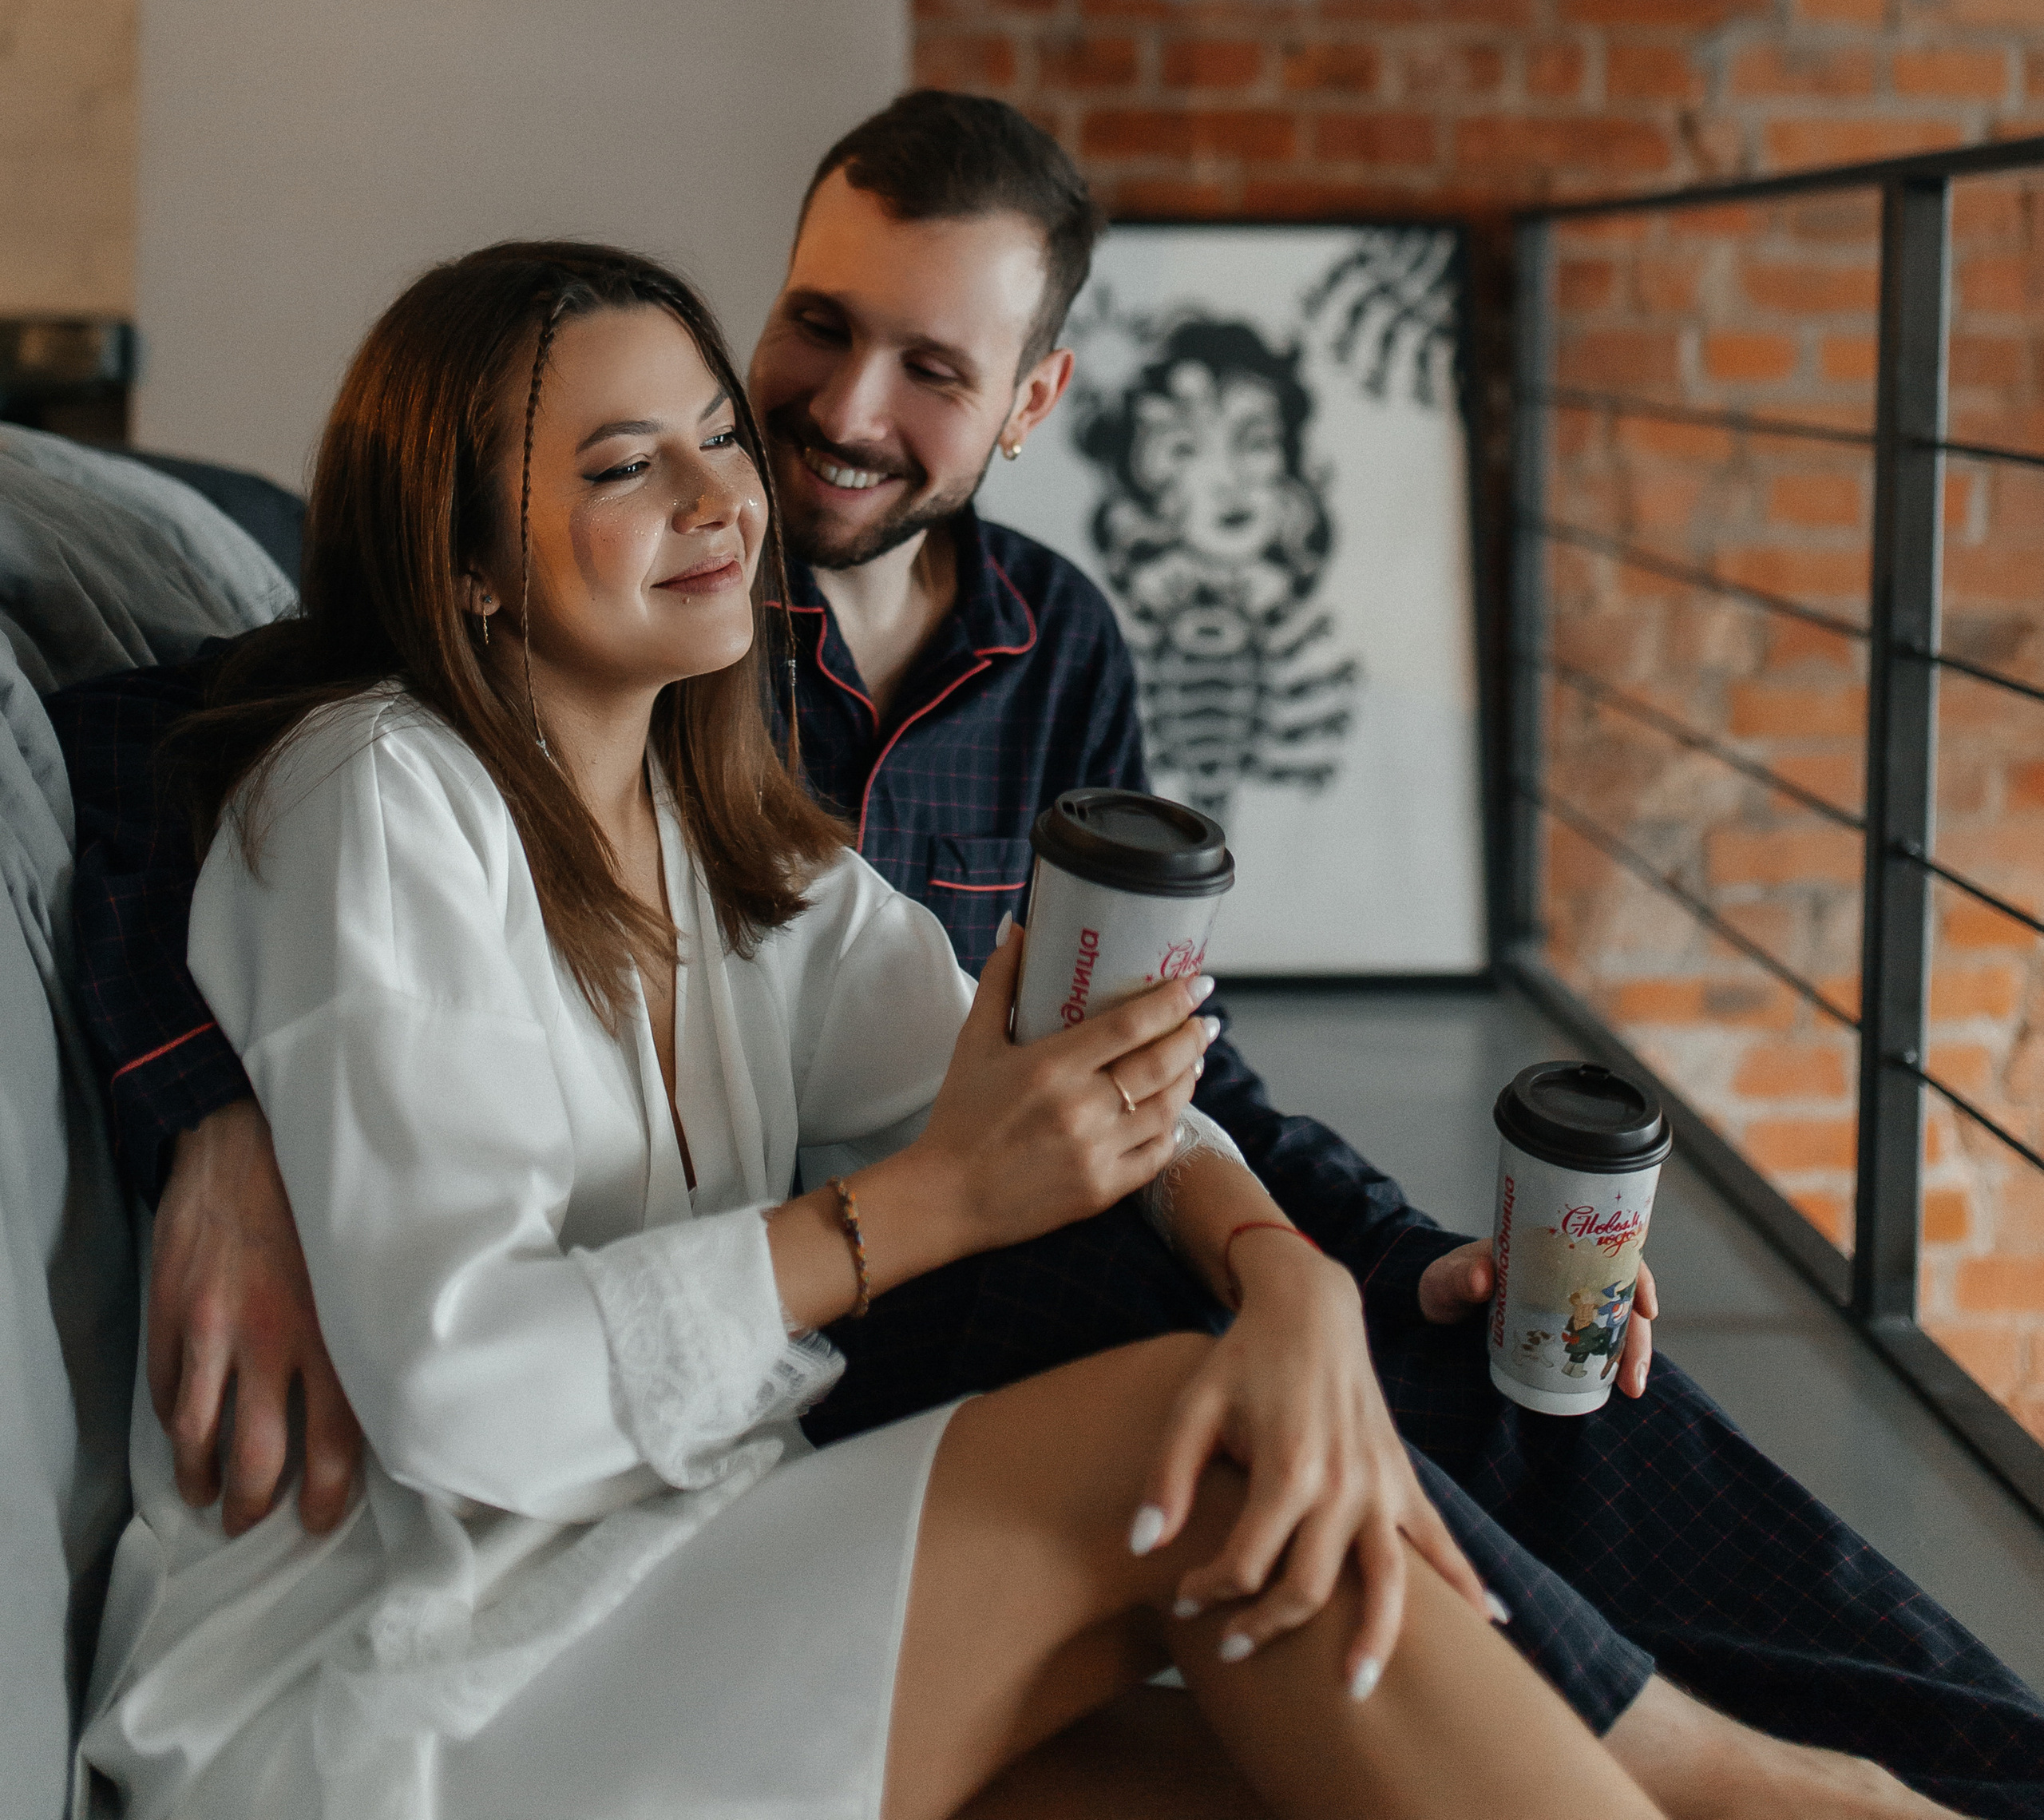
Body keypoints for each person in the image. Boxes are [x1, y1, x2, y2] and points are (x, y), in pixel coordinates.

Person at [63, 101, 2044, 1820]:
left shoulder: (723, 809)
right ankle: (1733, 1781)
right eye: (623, 465)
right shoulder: (382, 799)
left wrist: (1286, 1273)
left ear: (1028, 401)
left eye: (703, 441)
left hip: (682, 1562)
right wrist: (211, 1109)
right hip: (413, 1683)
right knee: (1179, 1434)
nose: (740, 477)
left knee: (1330, 1599)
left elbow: (1064, 1055)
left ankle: (1841, 1760)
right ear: (464, 552)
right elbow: (459, 1386)